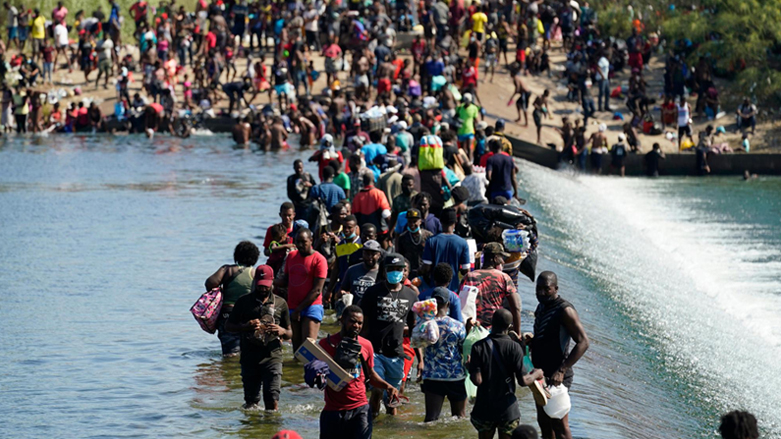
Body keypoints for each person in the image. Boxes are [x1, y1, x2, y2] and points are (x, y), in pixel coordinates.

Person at [318, 305, 398, 439]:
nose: (356, 326)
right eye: (352, 321)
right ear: (342, 320)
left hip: (360, 409)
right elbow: (313, 374)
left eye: (360, 323)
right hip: (333, 410)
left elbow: (371, 375)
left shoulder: (366, 345)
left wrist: (388, 386)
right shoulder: (325, 344)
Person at [527, 271, 590, 439]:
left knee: (559, 425)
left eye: (546, 289)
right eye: (538, 288)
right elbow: (547, 336)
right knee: (544, 423)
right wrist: (532, 341)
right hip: (540, 375)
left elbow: (584, 342)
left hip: (557, 376)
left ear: (556, 288)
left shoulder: (565, 310)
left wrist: (562, 370)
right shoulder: (541, 306)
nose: (541, 293)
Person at [469, 309, 545, 439]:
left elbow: (477, 381)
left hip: (484, 409)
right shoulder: (515, 348)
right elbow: (523, 381)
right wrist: (537, 374)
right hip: (507, 410)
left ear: (492, 322)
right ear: (510, 326)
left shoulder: (478, 347)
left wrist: (470, 367)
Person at [225, 265, 291, 411]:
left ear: (272, 282)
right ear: (254, 282)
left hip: (273, 357)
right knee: (251, 403)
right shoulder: (243, 302)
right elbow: (228, 326)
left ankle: (271, 428)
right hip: (249, 357)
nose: (262, 289)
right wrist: (245, 326)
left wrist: (280, 331)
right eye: (260, 286)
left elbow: (290, 333)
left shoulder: (281, 303)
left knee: (272, 399)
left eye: (266, 286)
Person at [360, 253, 418, 416]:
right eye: (391, 269)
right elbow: (363, 323)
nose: (395, 272)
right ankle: (371, 424)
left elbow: (414, 328)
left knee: (393, 398)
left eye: (398, 269)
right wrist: (360, 352)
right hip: (374, 351)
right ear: (384, 271)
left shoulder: (411, 295)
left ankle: (391, 428)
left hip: (397, 354)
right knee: (377, 391)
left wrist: (419, 358)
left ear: (404, 271)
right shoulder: (372, 292)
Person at [274, 228, 327, 352]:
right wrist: (271, 282)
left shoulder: (319, 260)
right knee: (297, 350)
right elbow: (286, 281)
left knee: (309, 348)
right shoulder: (291, 256)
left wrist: (299, 309)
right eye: (298, 242)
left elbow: (317, 290)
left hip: (311, 306)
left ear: (311, 241)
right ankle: (296, 371)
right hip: (293, 306)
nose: (300, 245)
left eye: (304, 242)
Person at [205, 241, 260, 357]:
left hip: (227, 316)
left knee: (229, 354)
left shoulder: (227, 270)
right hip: (248, 316)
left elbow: (210, 283)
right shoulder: (255, 273)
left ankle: (228, 373)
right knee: (248, 353)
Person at [420, 287, 467, 422]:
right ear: (448, 304)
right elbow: (463, 348)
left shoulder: (424, 325)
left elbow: (417, 344)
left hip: (432, 376)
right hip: (455, 377)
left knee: (431, 419)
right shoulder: (457, 326)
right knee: (459, 419)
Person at [460, 242, 520, 331]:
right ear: (495, 258)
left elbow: (459, 302)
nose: (503, 261)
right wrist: (517, 332)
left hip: (472, 328)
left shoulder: (469, 276)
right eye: (501, 258)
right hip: (494, 330)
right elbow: (516, 307)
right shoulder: (504, 278)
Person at [421, 208, 471, 292]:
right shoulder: (463, 243)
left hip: (435, 290)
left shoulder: (431, 241)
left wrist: (418, 271)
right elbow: (466, 271)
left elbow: (426, 268)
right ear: (455, 223)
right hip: (454, 290)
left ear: (440, 222)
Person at [340, 239, 382, 305]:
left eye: (373, 254)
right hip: (354, 311)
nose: (369, 257)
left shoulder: (382, 273)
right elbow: (343, 289)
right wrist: (344, 293)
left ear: (379, 255)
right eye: (367, 254)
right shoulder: (352, 270)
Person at [395, 208, 432, 279]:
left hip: (425, 273)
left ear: (420, 221)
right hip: (409, 274)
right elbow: (400, 255)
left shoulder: (428, 236)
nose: (412, 224)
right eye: (409, 222)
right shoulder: (403, 237)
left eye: (415, 221)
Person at [263, 202, 297, 275]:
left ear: (294, 215)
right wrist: (277, 250)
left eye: (289, 215)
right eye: (284, 215)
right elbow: (266, 252)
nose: (287, 218)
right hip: (275, 267)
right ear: (280, 215)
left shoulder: (297, 231)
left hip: (292, 267)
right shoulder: (272, 230)